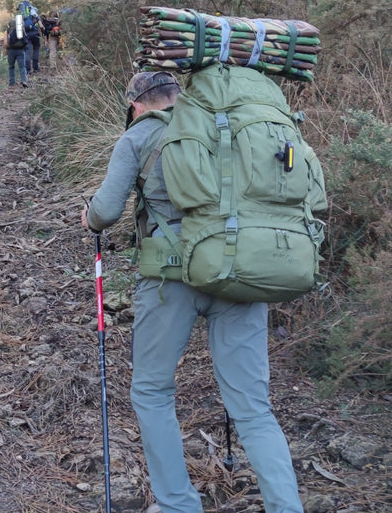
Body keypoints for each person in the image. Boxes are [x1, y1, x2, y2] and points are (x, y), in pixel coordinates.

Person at [80, 72, 304, 513]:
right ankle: (286, 507)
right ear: (177, 96)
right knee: (254, 408)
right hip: (240, 271)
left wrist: (88, 218)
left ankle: (178, 505)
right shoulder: (227, 125)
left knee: (152, 391)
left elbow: (106, 211)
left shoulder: (140, 135)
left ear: (137, 105)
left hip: (170, 279)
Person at [5, 17, 29, 88]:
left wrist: (6, 49)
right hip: (21, 50)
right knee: (22, 66)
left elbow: (6, 42)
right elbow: (25, 40)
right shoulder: (21, 30)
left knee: (11, 66)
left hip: (11, 50)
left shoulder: (9, 30)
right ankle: (24, 80)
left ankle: (12, 82)